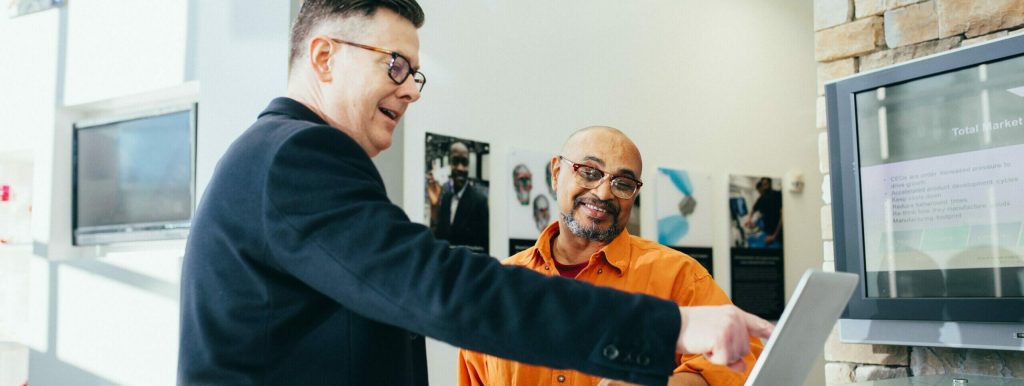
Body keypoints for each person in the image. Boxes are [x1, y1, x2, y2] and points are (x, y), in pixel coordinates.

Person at [177, 1, 773, 385]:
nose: (411, 90)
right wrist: (665, 328)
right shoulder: (296, 155)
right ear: (324, 57)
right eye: (395, 66)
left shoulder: (278, 157)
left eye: (415, 74)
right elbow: (439, 290)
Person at [458, 127, 764, 386]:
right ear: (556, 173)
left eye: (623, 183)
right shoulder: (498, 289)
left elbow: (743, 363)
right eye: (589, 172)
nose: (604, 193)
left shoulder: (678, 276)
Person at [430, 141, 489, 252]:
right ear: (449, 164)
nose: (460, 168)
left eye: (464, 162)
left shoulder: (479, 202)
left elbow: (484, 248)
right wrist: (434, 208)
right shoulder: (445, 198)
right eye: (455, 161)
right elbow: (438, 239)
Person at [744, 177, 783, 247]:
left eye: (766, 184)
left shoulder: (778, 195)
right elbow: (753, 209)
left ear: (770, 183)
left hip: (778, 234)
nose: (764, 186)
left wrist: (774, 236)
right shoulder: (761, 198)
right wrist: (749, 219)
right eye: (763, 184)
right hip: (767, 232)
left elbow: (782, 217)